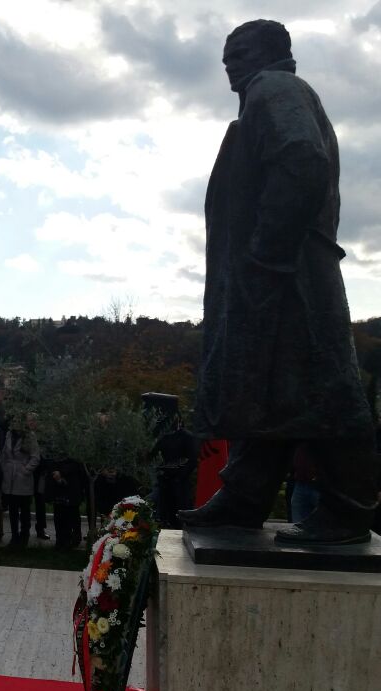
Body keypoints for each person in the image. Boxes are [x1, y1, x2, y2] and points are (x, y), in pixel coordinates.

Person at [183, 20, 377, 545]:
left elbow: (302, 160)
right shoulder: (269, 95)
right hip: (283, 269)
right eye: (226, 56)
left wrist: (267, 251)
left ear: (274, 54)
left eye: (240, 53)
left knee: (319, 385)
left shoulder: (275, 89)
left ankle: (349, 508)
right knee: (267, 385)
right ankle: (244, 497)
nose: (231, 64)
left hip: (290, 272)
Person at [0, 420, 41, 547]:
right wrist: (4, 467)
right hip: (9, 477)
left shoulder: (30, 436)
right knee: (12, 510)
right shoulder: (8, 434)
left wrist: (26, 470)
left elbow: (35, 457)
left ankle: (24, 537)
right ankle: (14, 536)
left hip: (23, 478)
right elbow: (3, 454)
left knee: (24, 510)